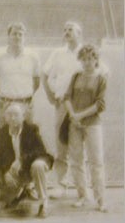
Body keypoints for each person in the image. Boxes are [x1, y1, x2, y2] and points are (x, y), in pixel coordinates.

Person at [42, 21, 109, 199]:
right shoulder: (57, 53)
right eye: (64, 30)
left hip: (85, 108)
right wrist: (50, 96)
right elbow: (45, 74)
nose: (66, 32)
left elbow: (104, 73)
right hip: (63, 105)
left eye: (70, 29)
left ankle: (91, 190)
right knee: (62, 144)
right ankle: (61, 184)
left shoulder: (86, 52)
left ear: (79, 33)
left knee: (87, 149)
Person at [63, 44, 108, 212]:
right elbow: (67, 97)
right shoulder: (76, 76)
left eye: (91, 58)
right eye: (84, 59)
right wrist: (73, 115)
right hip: (74, 124)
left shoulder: (101, 78)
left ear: (96, 59)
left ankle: (100, 199)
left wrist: (79, 115)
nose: (87, 62)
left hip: (92, 124)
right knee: (76, 160)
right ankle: (82, 195)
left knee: (96, 161)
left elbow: (100, 104)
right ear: (80, 60)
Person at [0, 103, 54, 218]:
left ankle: (43, 202)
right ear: (4, 117)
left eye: (16, 114)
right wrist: (6, 173)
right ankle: (20, 192)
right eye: (9, 114)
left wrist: (21, 160)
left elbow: (41, 151)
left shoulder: (32, 129)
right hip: (17, 170)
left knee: (38, 165)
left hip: (33, 164)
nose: (12, 118)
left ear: (23, 116)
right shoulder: (0, 132)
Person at [0, 22, 40, 126]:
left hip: (26, 104)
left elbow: (36, 81)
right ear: (8, 36)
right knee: (4, 138)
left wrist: (25, 95)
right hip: (6, 103)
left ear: (24, 37)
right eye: (14, 34)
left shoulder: (33, 57)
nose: (17, 37)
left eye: (20, 34)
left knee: (27, 139)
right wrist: (5, 97)